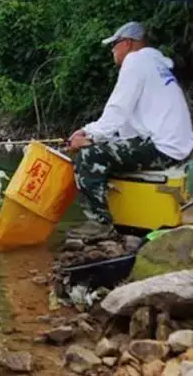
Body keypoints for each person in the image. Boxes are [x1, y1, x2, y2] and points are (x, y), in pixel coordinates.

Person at [68, 21, 193, 231]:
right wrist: (95, 135)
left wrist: (87, 134)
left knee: (90, 157)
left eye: (114, 44)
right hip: (177, 146)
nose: (112, 50)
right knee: (105, 150)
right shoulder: (156, 64)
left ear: (127, 43)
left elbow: (117, 110)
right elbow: (128, 124)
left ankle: (100, 225)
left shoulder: (135, 61)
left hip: (163, 148)